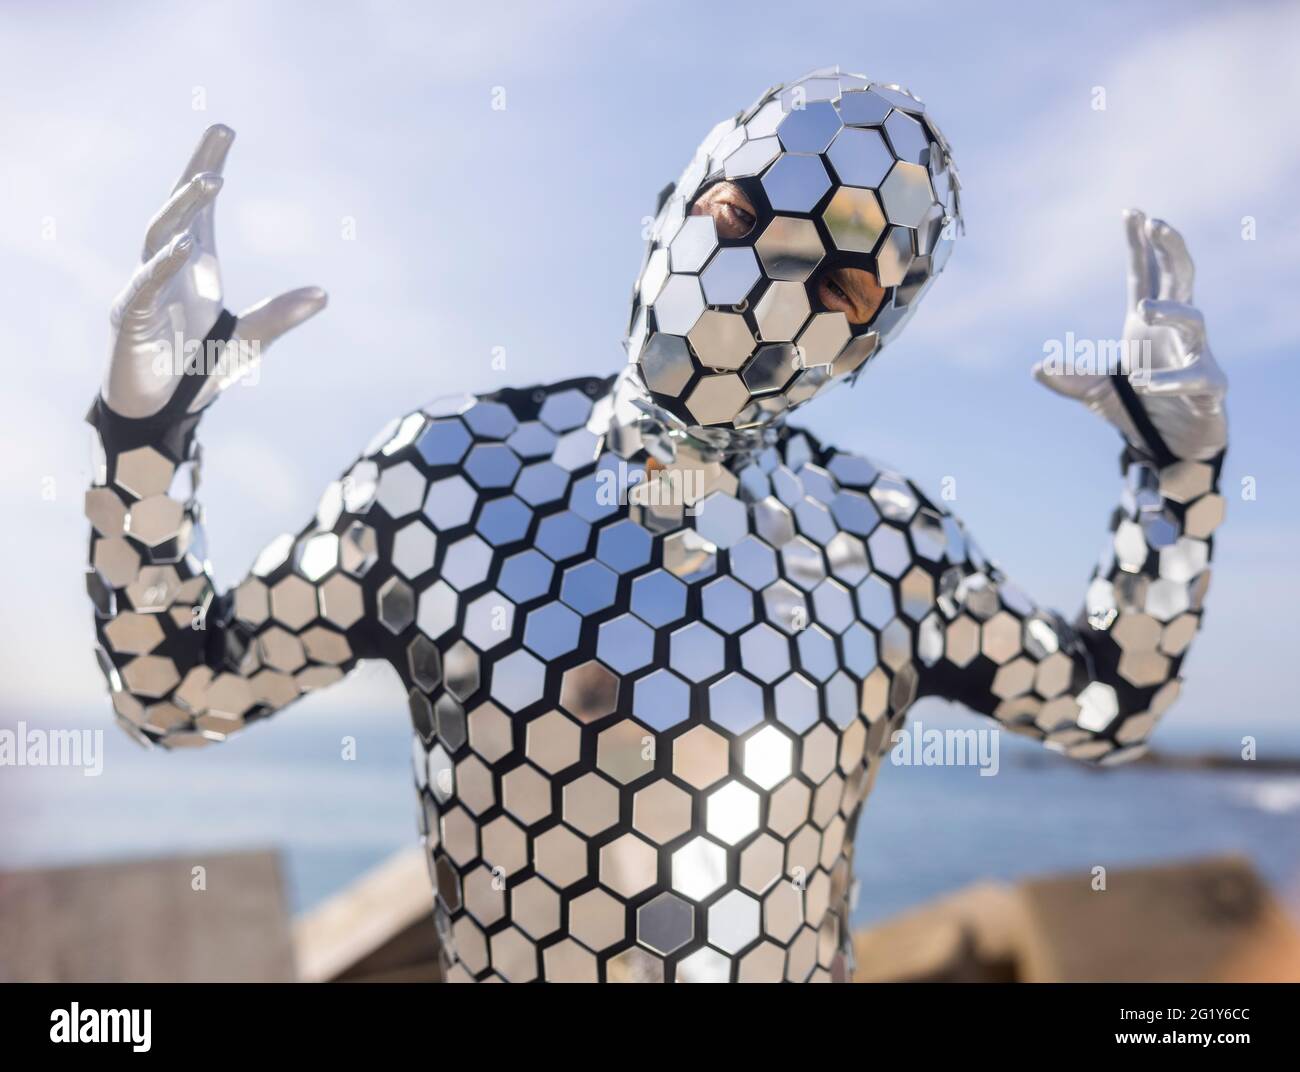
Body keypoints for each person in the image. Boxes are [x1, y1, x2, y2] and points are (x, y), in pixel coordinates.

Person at [84, 67, 1228, 983]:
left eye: (838, 290)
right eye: (741, 214)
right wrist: (146, 435)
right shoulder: (440, 479)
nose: (766, 290)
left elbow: (1101, 703)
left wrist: (1175, 478)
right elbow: (180, 693)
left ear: (868, 349)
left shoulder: (887, 546)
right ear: (668, 209)